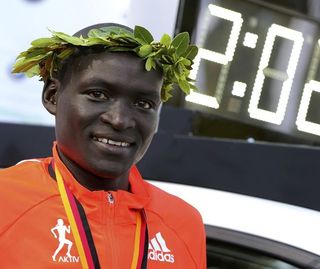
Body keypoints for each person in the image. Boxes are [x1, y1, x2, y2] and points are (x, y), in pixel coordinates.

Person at [0, 23, 205, 268]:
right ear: (52, 95)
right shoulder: (6, 199)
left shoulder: (183, 222)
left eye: (143, 104)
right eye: (98, 94)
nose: (119, 120)